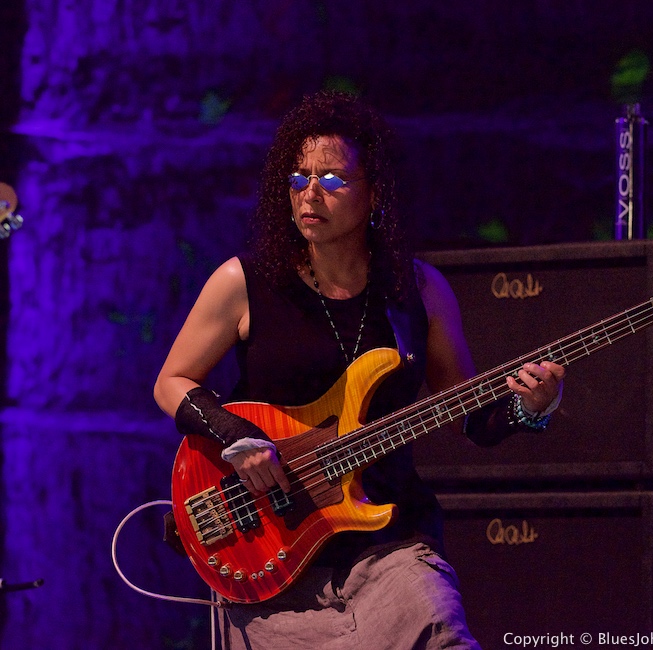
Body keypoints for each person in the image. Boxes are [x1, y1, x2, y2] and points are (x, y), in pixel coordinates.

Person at [154, 90, 565, 650]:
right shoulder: (242, 282)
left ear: (375, 194)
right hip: (275, 546)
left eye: (332, 179)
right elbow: (172, 382)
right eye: (298, 179)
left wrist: (529, 407)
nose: (310, 195)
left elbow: (469, 416)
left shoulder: (418, 291)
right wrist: (238, 436)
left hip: (387, 546)